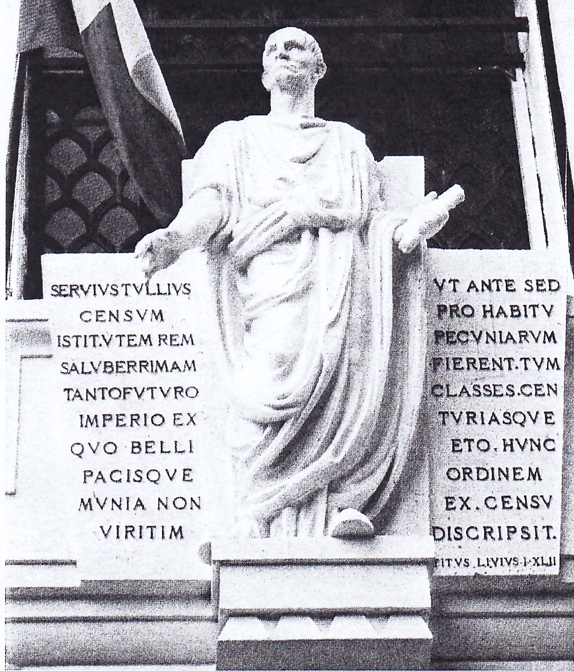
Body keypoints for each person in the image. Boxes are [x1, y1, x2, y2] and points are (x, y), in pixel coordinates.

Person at [136, 27, 456, 539]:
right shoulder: (235, 138)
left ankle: (341, 500)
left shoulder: (347, 143)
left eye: (297, 46)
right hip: (272, 277)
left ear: (319, 69)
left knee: (348, 373)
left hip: (343, 280)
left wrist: (410, 227)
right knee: (276, 368)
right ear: (264, 75)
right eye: (273, 49)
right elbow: (212, 203)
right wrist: (175, 239)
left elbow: (372, 221)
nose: (283, 52)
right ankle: (258, 508)